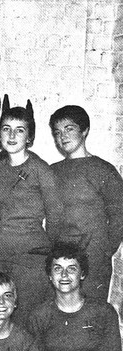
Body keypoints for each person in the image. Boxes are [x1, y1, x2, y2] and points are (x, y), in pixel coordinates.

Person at [0, 100, 63, 323]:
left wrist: (48, 252)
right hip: (1, 251)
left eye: (19, 130)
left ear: (29, 136)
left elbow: (55, 216)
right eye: (6, 129)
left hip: (31, 254)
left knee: (26, 318)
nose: (12, 135)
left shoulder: (41, 170)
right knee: (0, 315)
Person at [26, 242, 122, 351]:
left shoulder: (103, 312)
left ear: (82, 274)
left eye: (71, 269)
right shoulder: (39, 316)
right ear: (50, 275)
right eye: (57, 269)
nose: (64, 275)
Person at [49, 105, 123, 301]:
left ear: (84, 131)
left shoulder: (104, 170)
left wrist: (105, 250)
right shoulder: (51, 171)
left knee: (91, 311)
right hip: (61, 259)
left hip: (93, 260)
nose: (63, 136)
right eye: (57, 132)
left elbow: (119, 215)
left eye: (69, 129)